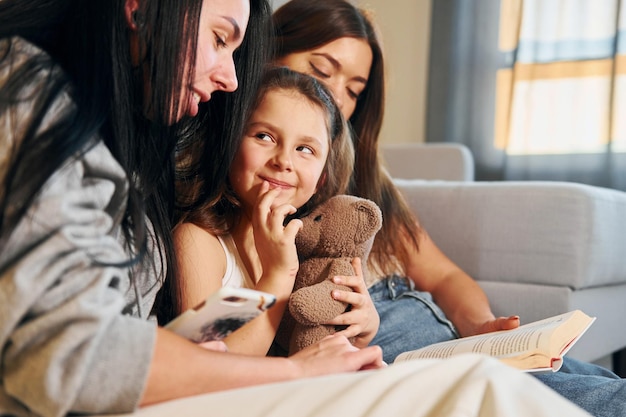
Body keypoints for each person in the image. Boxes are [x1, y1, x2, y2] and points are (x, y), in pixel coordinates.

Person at [0, 1, 388, 416]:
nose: (231, 80)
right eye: (219, 39)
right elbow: (75, 354)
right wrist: (296, 374)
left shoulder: (123, 142)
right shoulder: (30, 100)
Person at [271, 1, 626, 416]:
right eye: (321, 70)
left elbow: (442, 274)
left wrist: (479, 325)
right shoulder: (265, 179)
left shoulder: (367, 185)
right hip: (392, 351)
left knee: (606, 385)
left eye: (354, 90)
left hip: (446, 338)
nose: (336, 99)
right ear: (268, 53)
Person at [169, 66, 379, 356]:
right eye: (264, 136)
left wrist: (363, 327)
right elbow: (209, 365)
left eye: (305, 149)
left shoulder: (308, 250)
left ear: (321, 179)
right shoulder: (200, 242)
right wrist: (279, 274)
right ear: (228, 144)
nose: (283, 161)